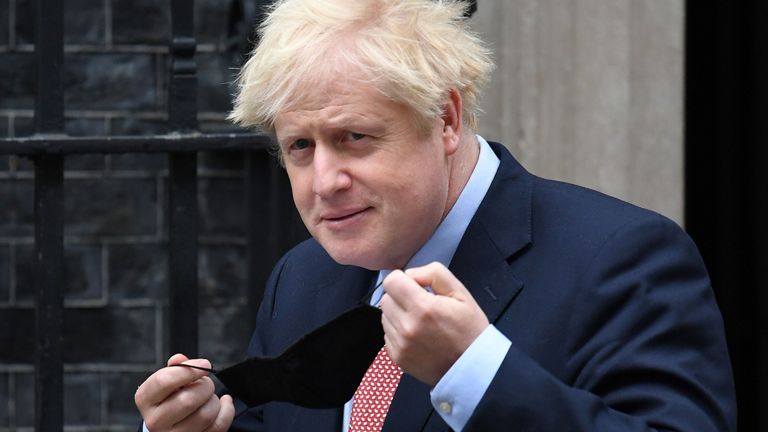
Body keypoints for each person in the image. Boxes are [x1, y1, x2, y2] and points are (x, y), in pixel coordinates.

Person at [134, 0, 737, 430]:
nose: (324, 182)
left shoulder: (623, 256)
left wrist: (473, 374)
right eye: (300, 147)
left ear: (446, 119)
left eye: (355, 137)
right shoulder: (302, 277)